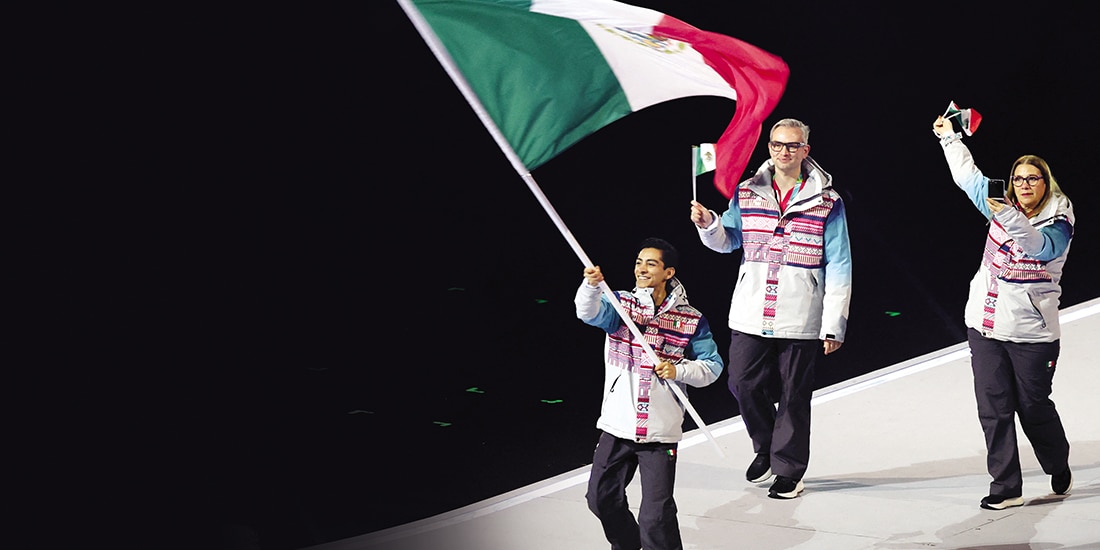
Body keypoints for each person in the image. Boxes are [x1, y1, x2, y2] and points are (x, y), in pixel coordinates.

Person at [688, 118, 852, 500]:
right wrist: (708, 223)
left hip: (802, 312)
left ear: (805, 151)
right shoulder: (746, 192)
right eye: (778, 144)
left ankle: (789, 470)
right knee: (741, 382)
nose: (784, 151)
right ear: (769, 148)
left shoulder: (828, 201)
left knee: (794, 394)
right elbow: (728, 240)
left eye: (792, 146)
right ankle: (765, 444)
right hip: (751, 308)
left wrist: (834, 324)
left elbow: (840, 263)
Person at [931, 114, 1074, 510]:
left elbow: (1039, 248)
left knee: (1033, 407)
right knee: (993, 409)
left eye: (1033, 179)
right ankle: (1006, 486)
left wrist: (1007, 214)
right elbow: (967, 175)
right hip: (985, 325)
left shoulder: (1060, 219)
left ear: (1047, 185)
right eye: (1018, 179)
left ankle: (1056, 461)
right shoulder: (1001, 204)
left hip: (1032, 335)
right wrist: (948, 138)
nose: (1024, 185)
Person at [575, 237, 724, 550]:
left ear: (668, 272)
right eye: (639, 262)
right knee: (600, 499)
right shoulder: (621, 305)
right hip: (617, 426)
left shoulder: (691, 319)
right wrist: (591, 287)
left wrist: (678, 370)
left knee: (656, 516)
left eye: (651, 263)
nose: (641, 269)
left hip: (660, 432)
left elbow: (712, 368)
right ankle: (628, 544)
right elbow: (588, 313)